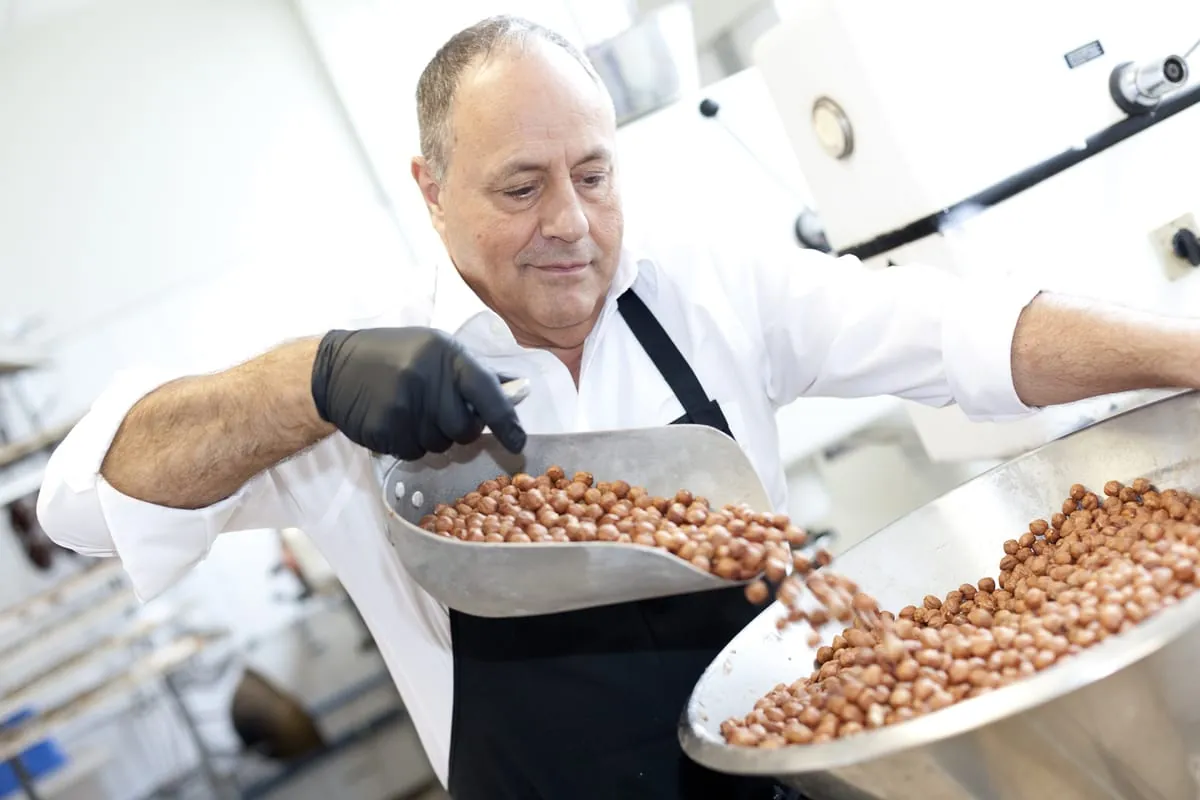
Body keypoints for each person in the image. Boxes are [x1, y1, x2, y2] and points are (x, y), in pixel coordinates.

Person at [35, 15, 1200, 800]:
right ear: (429, 193)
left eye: (593, 174)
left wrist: (1182, 346)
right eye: (520, 186)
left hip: (771, 770)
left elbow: (963, 331)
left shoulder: (706, 285)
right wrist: (306, 381)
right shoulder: (355, 376)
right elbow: (82, 499)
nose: (572, 224)